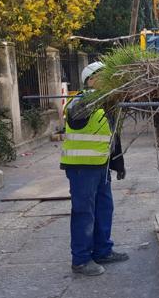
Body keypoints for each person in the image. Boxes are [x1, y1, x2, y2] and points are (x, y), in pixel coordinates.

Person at [60, 61, 129, 276]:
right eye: (103, 76)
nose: (108, 79)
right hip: (82, 169)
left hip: (100, 167)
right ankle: (80, 260)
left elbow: (111, 138)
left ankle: (102, 251)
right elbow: (78, 116)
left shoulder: (106, 105)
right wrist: (98, 96)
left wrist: (118, 165)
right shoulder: (79, 102)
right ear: (90, 80)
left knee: (104, 208)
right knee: (84, 213)